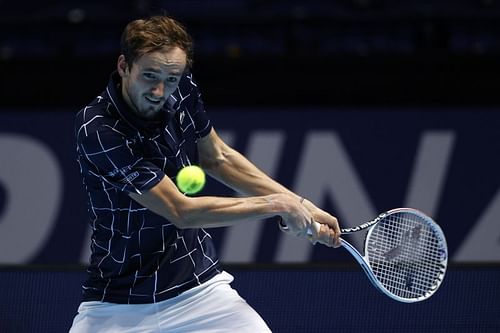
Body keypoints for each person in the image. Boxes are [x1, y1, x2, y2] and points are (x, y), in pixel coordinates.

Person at [70, 15, 341, 332]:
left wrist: (301, 204)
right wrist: (280, 205)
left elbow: (218, 157)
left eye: (171, 78)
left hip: (200, 293)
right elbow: (180, 211)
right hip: (116, 305)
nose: (160, 90)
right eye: (149, 76)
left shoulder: (181, 88)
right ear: (123, 66)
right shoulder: (98, 128)